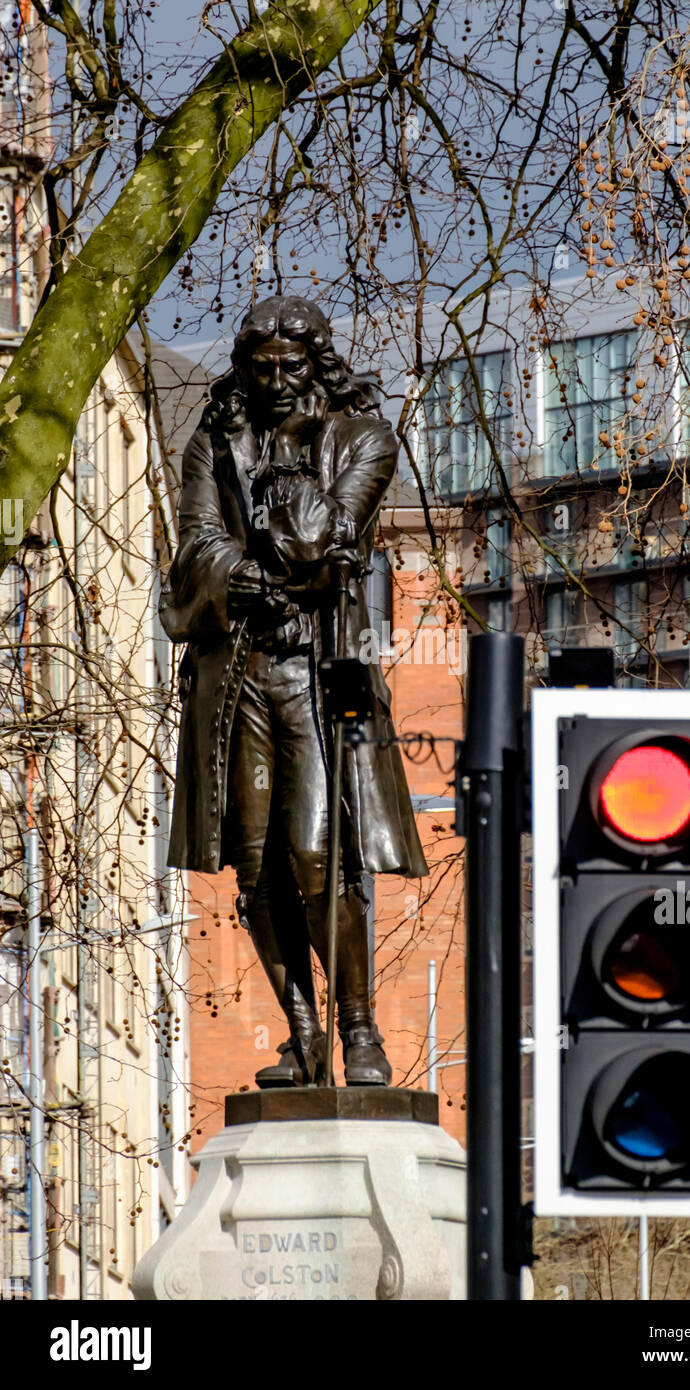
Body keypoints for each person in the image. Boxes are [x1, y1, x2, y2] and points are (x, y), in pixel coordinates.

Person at [159, 296, 427, 1086]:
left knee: (317, 854)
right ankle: (302, 1032)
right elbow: (194, 554)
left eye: (292, 366)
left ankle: (359, 1027)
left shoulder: (362, 440)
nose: (275, 381)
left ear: (319, 369)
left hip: (318, 671)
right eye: (261, 366)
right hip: (238, 673)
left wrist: (296, 453)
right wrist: (247, 573)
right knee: (255, 862)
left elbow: (326, 541)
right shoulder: (213, 443)